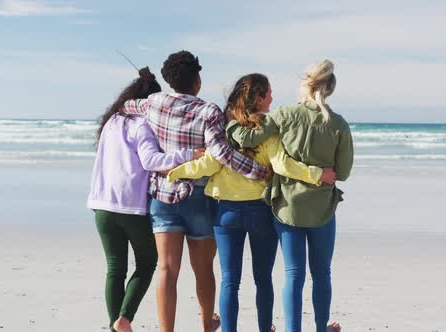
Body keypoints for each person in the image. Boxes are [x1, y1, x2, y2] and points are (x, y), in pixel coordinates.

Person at [165, 73, 337, 332]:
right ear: (258, 98)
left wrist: (176, 172)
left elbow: (209, 163)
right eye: (269, 93)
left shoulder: (224, 130)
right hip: (261, 212)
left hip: (226, 213)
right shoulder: (267, 131)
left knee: (229, 281)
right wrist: (317, 175)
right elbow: (283, 165)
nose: (272, 97)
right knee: (263, 280)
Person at [121, 51, 271, 332]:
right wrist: (259, 171)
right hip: (198, 199)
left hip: (163, 197)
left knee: (166, 270)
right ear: (197, 80)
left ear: (170, 80)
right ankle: (205, 327)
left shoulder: (154, 102)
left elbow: (127, 107)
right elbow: (221, 153)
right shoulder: (208, 110)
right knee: (203, 270)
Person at [227, 60, 353, 332]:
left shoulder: (284, 115)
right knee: (322, 274)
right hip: (322, 209)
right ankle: (320, 328)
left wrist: (230, 126)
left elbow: (247, 139)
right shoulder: (339, 124)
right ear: (329, 89)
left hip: (287, 209)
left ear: (305, 85)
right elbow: (343, 172)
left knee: (293, 275)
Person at [87, 68, 203, 332]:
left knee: (115, 268)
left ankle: (116, 325)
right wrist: (190, 155)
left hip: (102, 205)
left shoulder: (111, 122)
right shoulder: (142, 125)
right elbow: (151, 161)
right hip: (131, 207)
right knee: (148, 262)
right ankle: (125, 317)